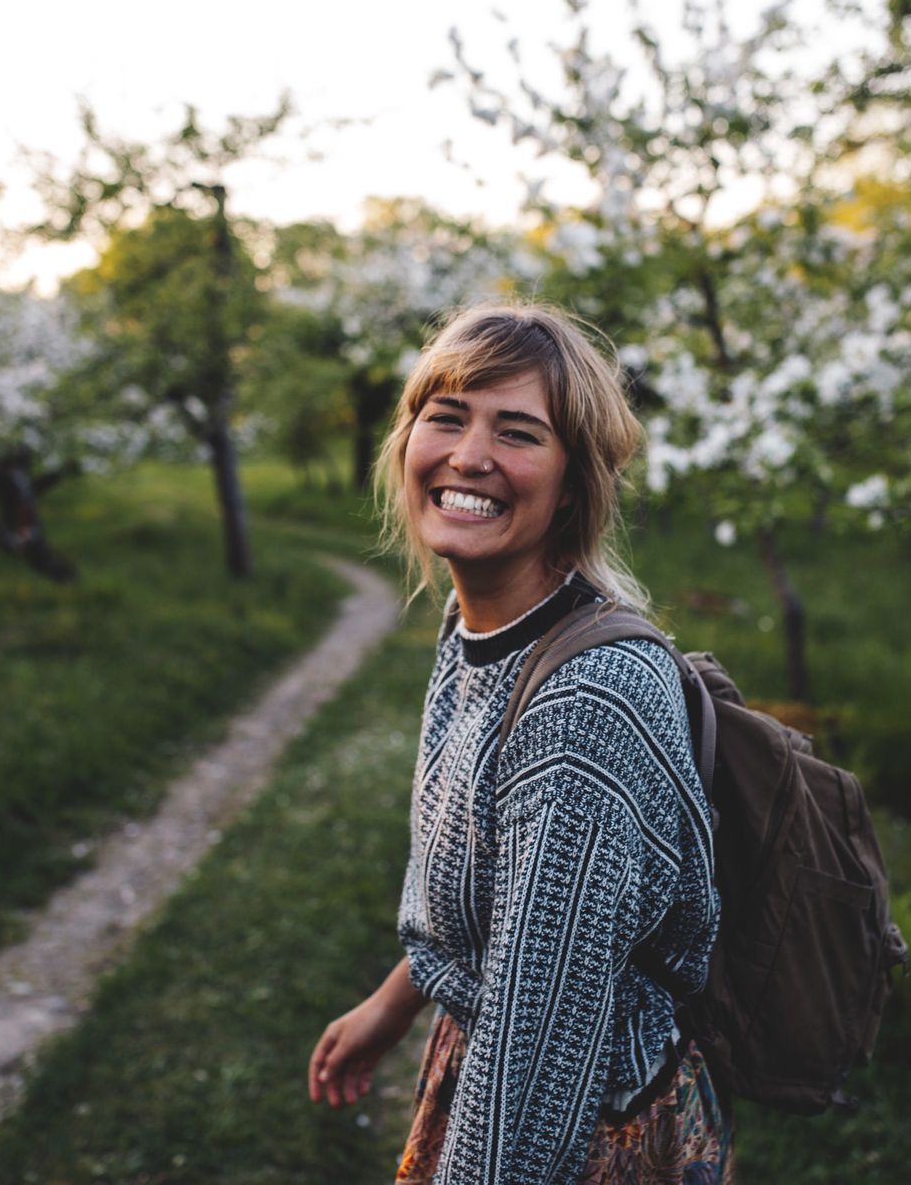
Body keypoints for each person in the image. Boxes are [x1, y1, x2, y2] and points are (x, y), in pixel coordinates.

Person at [306, 304, 730, 1183]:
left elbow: (535, 1070)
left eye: (518, 432)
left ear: (573, 482)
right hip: (493, 1067)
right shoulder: (480, 631)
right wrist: (393, 1006)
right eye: (448, 416)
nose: (469, 456)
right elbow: (496, 905)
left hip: (586, 1130)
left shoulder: (582, 710)